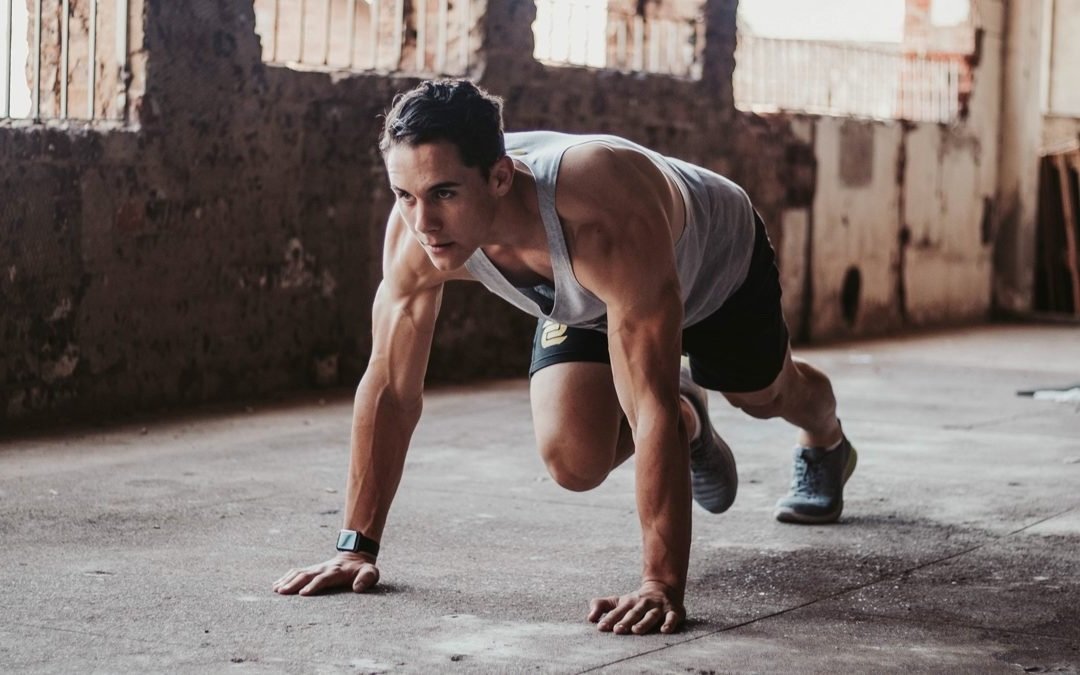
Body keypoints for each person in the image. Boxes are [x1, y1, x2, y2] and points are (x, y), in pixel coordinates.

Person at [272, 79, 858, 636]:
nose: (423, 222)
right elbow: (391, 389)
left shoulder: (600, 215)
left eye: (445, 193)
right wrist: (354, 547)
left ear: (500, 177)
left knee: (765, 395)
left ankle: (826, 440)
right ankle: (692, 421)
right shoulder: (415, 235)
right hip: (590, 294)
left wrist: (660, 584)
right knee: (575, 460)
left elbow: (643, 406)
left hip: (715, 266)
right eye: (405, 195)